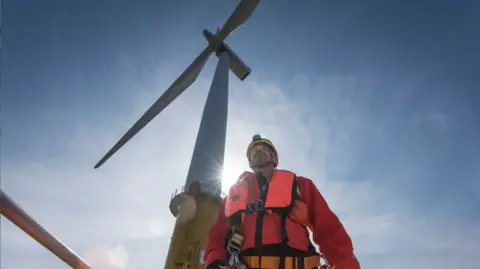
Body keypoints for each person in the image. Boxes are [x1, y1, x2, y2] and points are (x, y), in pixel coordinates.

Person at [204, 135, 360, 269]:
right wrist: (214, 261)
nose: (259, 153)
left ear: (274, 158)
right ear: (249, 162)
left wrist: (345, 265)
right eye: (254, 152)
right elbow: (218, 233)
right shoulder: (234, 193)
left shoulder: (300, 185)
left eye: (264, 150)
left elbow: (329, 229)